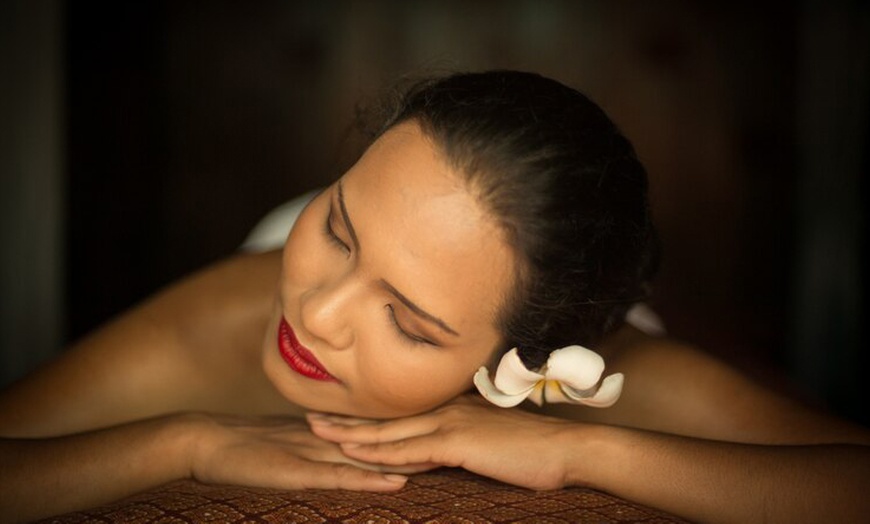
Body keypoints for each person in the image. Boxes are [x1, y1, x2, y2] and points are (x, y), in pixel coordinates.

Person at [0, 70, 867, 524]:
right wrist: (179, 444)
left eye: (407, 324)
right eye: (336, 228)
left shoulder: (600, 373)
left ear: (510, 367)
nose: (316, 314)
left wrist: (590, 454)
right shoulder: (236, 314)